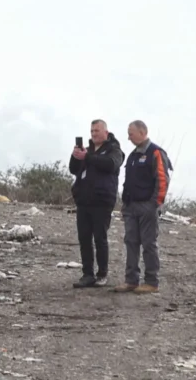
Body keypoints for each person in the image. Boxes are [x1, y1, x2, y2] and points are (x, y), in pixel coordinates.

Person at [114, 120, 173, 294]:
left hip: (147, 206)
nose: (128, 136)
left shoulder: (155, 152)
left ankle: (151, 281)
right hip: (131, 207)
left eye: (131, 133)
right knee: (131, 242)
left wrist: (155, 203)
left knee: (149, 244)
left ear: (142, 132)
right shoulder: (132, 156)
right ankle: (131, 280)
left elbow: (163, 180)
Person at [69, 119, 125, 288]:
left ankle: (102, 273)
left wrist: (89, 157)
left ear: (105, 133)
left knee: (100, 237)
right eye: (92, 131)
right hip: (84, 200)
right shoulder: (88, 149)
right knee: (84, 238)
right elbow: (73, 169)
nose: (93, 134)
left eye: (97, 131)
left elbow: (110, 165)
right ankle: (87, 274)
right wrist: (76, 156)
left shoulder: (114, 150)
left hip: (102, 200)